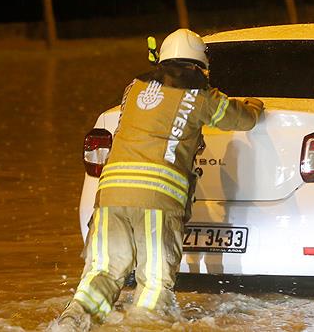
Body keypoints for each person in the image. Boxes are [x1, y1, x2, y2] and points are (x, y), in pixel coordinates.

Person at [54, 29, 264, 331]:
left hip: (110, 197)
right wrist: (254, 104)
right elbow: (241, 119)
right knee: (154, 283)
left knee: (102, 271)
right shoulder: (200, 95)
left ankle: (71, 322)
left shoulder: (134, 88)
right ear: (199, 66)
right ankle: (143, 326)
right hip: (157, 203)